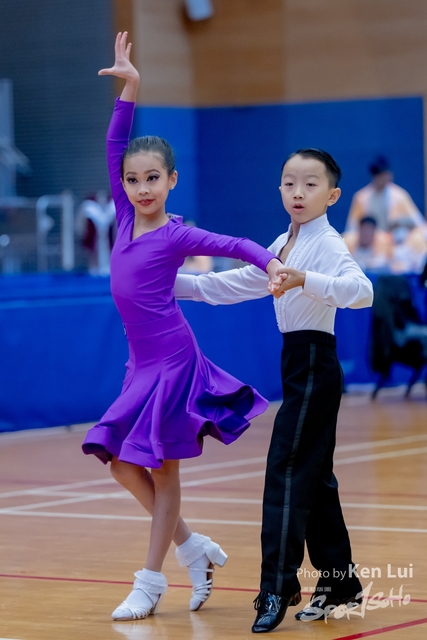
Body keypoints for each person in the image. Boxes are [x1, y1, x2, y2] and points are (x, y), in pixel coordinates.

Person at [81, 33, 283, 622]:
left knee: (159, 468)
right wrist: (131, 88)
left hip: (172, 361)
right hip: (139, 364)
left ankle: (150, 582)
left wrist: (272, 265)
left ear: (171, 181)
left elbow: (236, 244)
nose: (142, 188)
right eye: (133, 179)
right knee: (120, 461)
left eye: (153, 178)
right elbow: (115, 142)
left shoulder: (176, 234)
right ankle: (194, 548)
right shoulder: (124, 218)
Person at [175, 148, 374, 633]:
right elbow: (233, 284)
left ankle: (277, 586)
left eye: (310, 184)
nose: (297, 192)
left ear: (333, 195)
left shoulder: (328, 244)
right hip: (297, 363)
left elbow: (362, 292)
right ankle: (341, 583)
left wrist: (306, 279)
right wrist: (168, 284)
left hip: (315, 364)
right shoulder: (282, 242)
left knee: (285, 471)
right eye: (289, 183)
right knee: (314, 479)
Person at [346, 155, 425, 233]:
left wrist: (400, 223)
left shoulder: (399, 196)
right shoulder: (361, 197)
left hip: (394, 239)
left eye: (387, 174)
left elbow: (417, 221)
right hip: (370, 239)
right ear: (374, 176)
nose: (385, 178)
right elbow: (352, 227)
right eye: (381, 176)